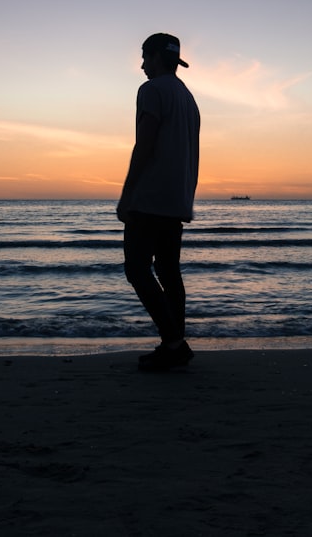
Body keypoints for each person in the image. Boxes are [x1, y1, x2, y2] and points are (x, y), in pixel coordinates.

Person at [117, 33, 201, 371]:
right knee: (168, 270)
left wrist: (127, 193)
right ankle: (174, 344)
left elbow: (145, 144)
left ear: (155, 58)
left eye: (144, 58)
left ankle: (173, 342)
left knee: (137, 269)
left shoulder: (151, 91)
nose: (141, 65)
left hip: (150, 197)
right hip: (176, 198)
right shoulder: (187, 97)